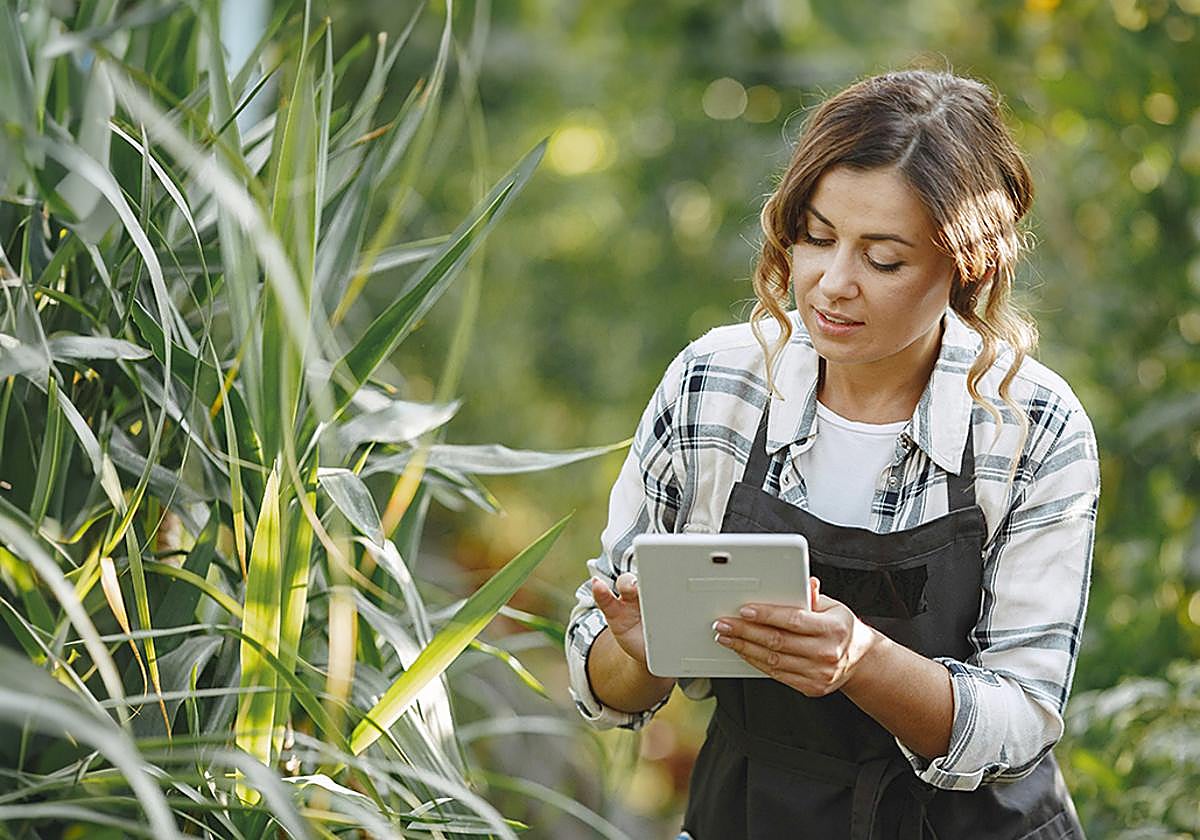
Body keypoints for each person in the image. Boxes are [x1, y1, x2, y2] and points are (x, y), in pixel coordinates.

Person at [564, 69, 1100, 839]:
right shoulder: (714, 386)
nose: (830, 284)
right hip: (750, 813)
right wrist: (643, 653)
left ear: (967, 264)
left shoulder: (1030, 425)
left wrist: (862, 661)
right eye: (816, 238)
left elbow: (1023, 717)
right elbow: (599, 679)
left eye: (883, 260)